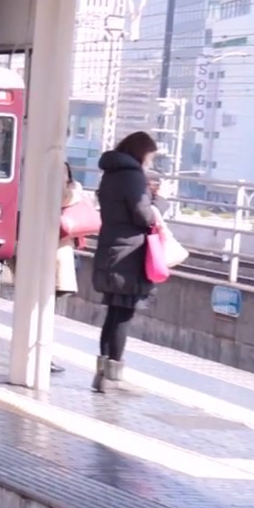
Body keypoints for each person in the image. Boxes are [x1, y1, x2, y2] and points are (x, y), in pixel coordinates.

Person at [90, 131, 160, 393]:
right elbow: (143, 215)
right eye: (150, 155)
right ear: (141, 152)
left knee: (113, 313)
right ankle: (114, 377)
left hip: (111, 247)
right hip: (128, 254)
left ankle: (102, 374)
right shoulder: (133, 175)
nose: (150, 161)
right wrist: (157, 204)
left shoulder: (111, 173)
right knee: (123, 313)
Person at [51, 162, 88, 375]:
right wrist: (76, 192)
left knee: (47, 306)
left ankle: (41, 354)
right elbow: (62, 196)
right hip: (55, 250)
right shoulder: (56, 164)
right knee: (48, 308)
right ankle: (42, 355)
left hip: (52, 249)